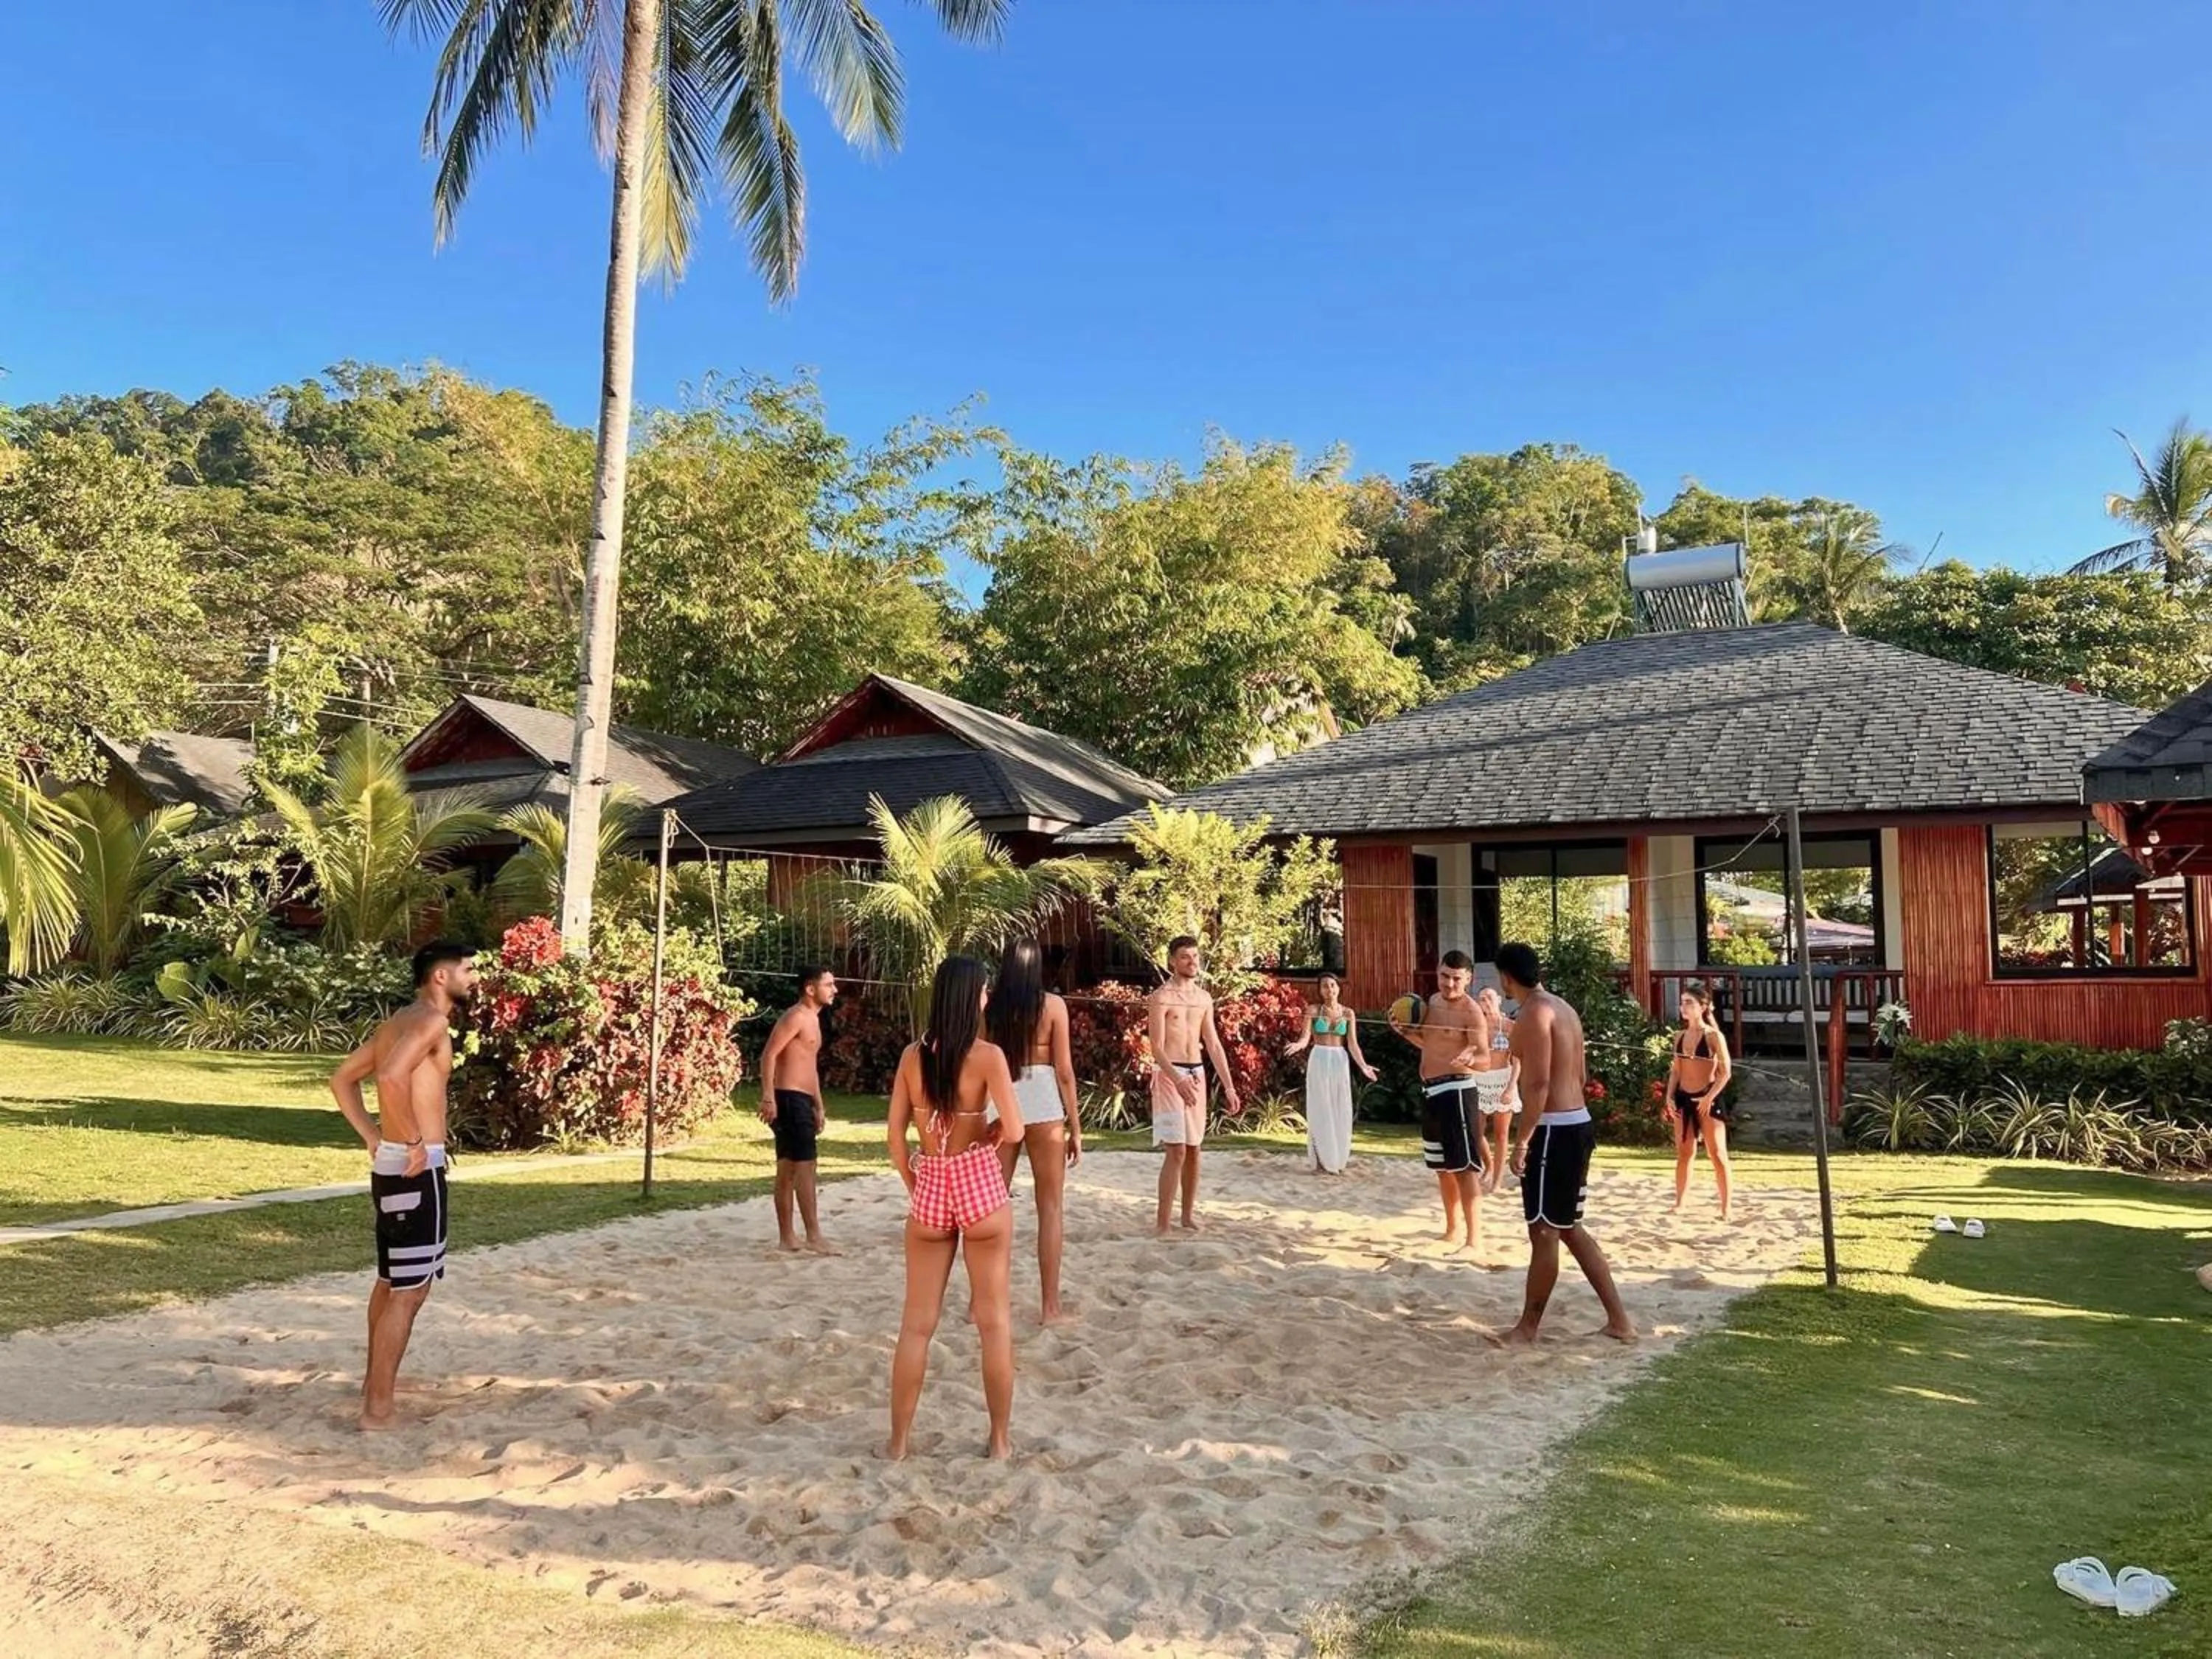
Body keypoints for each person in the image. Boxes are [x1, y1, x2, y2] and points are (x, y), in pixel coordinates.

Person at [328, 941, 478, 1430]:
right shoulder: (431, 1023)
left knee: (392, 1281)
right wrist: (413, 1140)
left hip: (392, 1166)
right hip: (417, 1167)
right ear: (441, 976)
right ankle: (377, 1410)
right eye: (469, 969)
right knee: (410, 1292)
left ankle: (378, 1385)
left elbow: (343, 1080)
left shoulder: (396, 1023)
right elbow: (390, 1078)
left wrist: (376, 1136)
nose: (475, 978)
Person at [886, 955, 1023, 1460]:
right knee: (994, 1322)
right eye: (984, 992)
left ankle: (899, 1444)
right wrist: (988, 1133)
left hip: (932, 1185)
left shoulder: (910, 1057)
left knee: (916, 1325)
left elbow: (895, 1140)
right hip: (977, 1181)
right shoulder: (987, 1056)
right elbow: (1015, 1129)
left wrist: (914, 1185)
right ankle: (1000, 1441)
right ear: (974, 997)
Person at [1495, 942, 1636, 1345]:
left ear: (1506, 976)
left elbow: (1537, 1084)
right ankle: (1620, 1322)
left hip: (1555, 1130)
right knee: (1569, 1227)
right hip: (1577, 1123)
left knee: (1544, 1231)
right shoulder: (1563, 1009)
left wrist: (1523, 1141)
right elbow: (1580, 1070)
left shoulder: (1535, 1013)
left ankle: (1527, 1328)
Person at [988, 939, 1082, 1324]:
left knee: (992, 1207)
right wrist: (1076, 1125)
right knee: (1051, 1207)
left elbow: (980, 1058)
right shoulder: (1053, 1006)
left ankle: (983, 1303)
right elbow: (1064, 1070)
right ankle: (1049, 1307)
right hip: (1043, 1096)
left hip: (1004, 1092)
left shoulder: (991, 1006)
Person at [1388, 950, 1489, 1252]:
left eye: (1457, 979)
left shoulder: (1472, 1012)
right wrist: (1404, 1033)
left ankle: (1474, 1239)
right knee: (1442, 1167)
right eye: (1445, 976)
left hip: (1458, 1091)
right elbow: (1429, 1043)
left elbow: (1485, 1059)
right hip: (1431, 1091)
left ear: (1468, 979)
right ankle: (1452, 1229)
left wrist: (1468, 1059)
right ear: (1438, 973)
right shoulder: (1430, 1002)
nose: (1449, 984)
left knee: (1464, 1168)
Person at [1147, 936, 1242, 1234]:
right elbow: (1156, 1047)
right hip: (1170, 1074)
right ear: (1173, 961)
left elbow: (1212, 1043)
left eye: (1196, 957)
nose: (1193, 962)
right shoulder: (1161, 997)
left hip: (1196, 1073)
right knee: (1176, 1151)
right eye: (1186, 957)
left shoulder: (1203, 998)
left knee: (1194, 1149)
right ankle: (1163, 1224)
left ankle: (1187, 1216)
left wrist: (1229, 1086)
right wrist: (1178, 1081)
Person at [758, 967, 836, 1252]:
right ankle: (811, 1235)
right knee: (801, 1167)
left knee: (791, 1167)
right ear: (810, 988)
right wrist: (769, 1097)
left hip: (802, 1099)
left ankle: (789, 1238)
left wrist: (819, 1104)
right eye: (829, 984)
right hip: (788, 1098)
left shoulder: (813, 1021)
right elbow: (769, 1055)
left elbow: (809, 1066)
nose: (834, 989)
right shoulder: (796, 1017)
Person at [1283, 973, 1374, 1174]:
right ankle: (1321, 1161)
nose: (1329, 989)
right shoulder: (1314, 1010)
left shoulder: (1348, 1013)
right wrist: (1298, 1045)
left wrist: (1364, 1066)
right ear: (1320, 990)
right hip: (1320, 1059)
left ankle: (1337, 1158)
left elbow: (1353, 1045)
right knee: (1321, 1108)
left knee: (1339, 1107)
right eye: (1325, 986)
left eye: (1332, 985)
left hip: (1339, 1061)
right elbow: (1305, 1037)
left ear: (1338, 988)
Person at [1665, 983, 1736, 1220]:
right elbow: (1676, 1070)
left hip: (1708, 1098)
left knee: (1717, 1154)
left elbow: (1726, 1072)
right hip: (1683, 1100)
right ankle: (1680, 1202)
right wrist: (1669, 1097)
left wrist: (1709, 1097)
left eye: (1689, 1003)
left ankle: (1726, 1208)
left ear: (1702, 1007)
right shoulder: (1679, 1036)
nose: (1684, 1007)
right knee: (1685, 1153)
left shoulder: (1714, 1036)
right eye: (1683, 1002)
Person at [1473, 987, 1520, 1189]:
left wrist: (1511, 1088)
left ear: (1499, 1000)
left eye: (1489, 998)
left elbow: (1518, 1060)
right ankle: (1489, 1166)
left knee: (1501, 1134)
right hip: (1480, 1079)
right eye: (1482, 999)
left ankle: (1497, 1181)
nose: (1486, 1002)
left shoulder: (1510, 1026)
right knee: (1475, 1130)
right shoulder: (1476, 1026)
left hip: (1503, 1078)